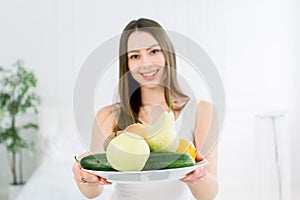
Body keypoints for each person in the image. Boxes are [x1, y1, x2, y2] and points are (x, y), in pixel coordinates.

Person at [72, 18, 218, 200]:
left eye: (153, 51)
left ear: (167, 54)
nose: (146, 63)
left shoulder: (202, 111)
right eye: (135, 56)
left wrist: (199, 177)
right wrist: (83, 176)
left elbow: (208, 195)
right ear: (126, 64)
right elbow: (93, 192)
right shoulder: (109, 116)